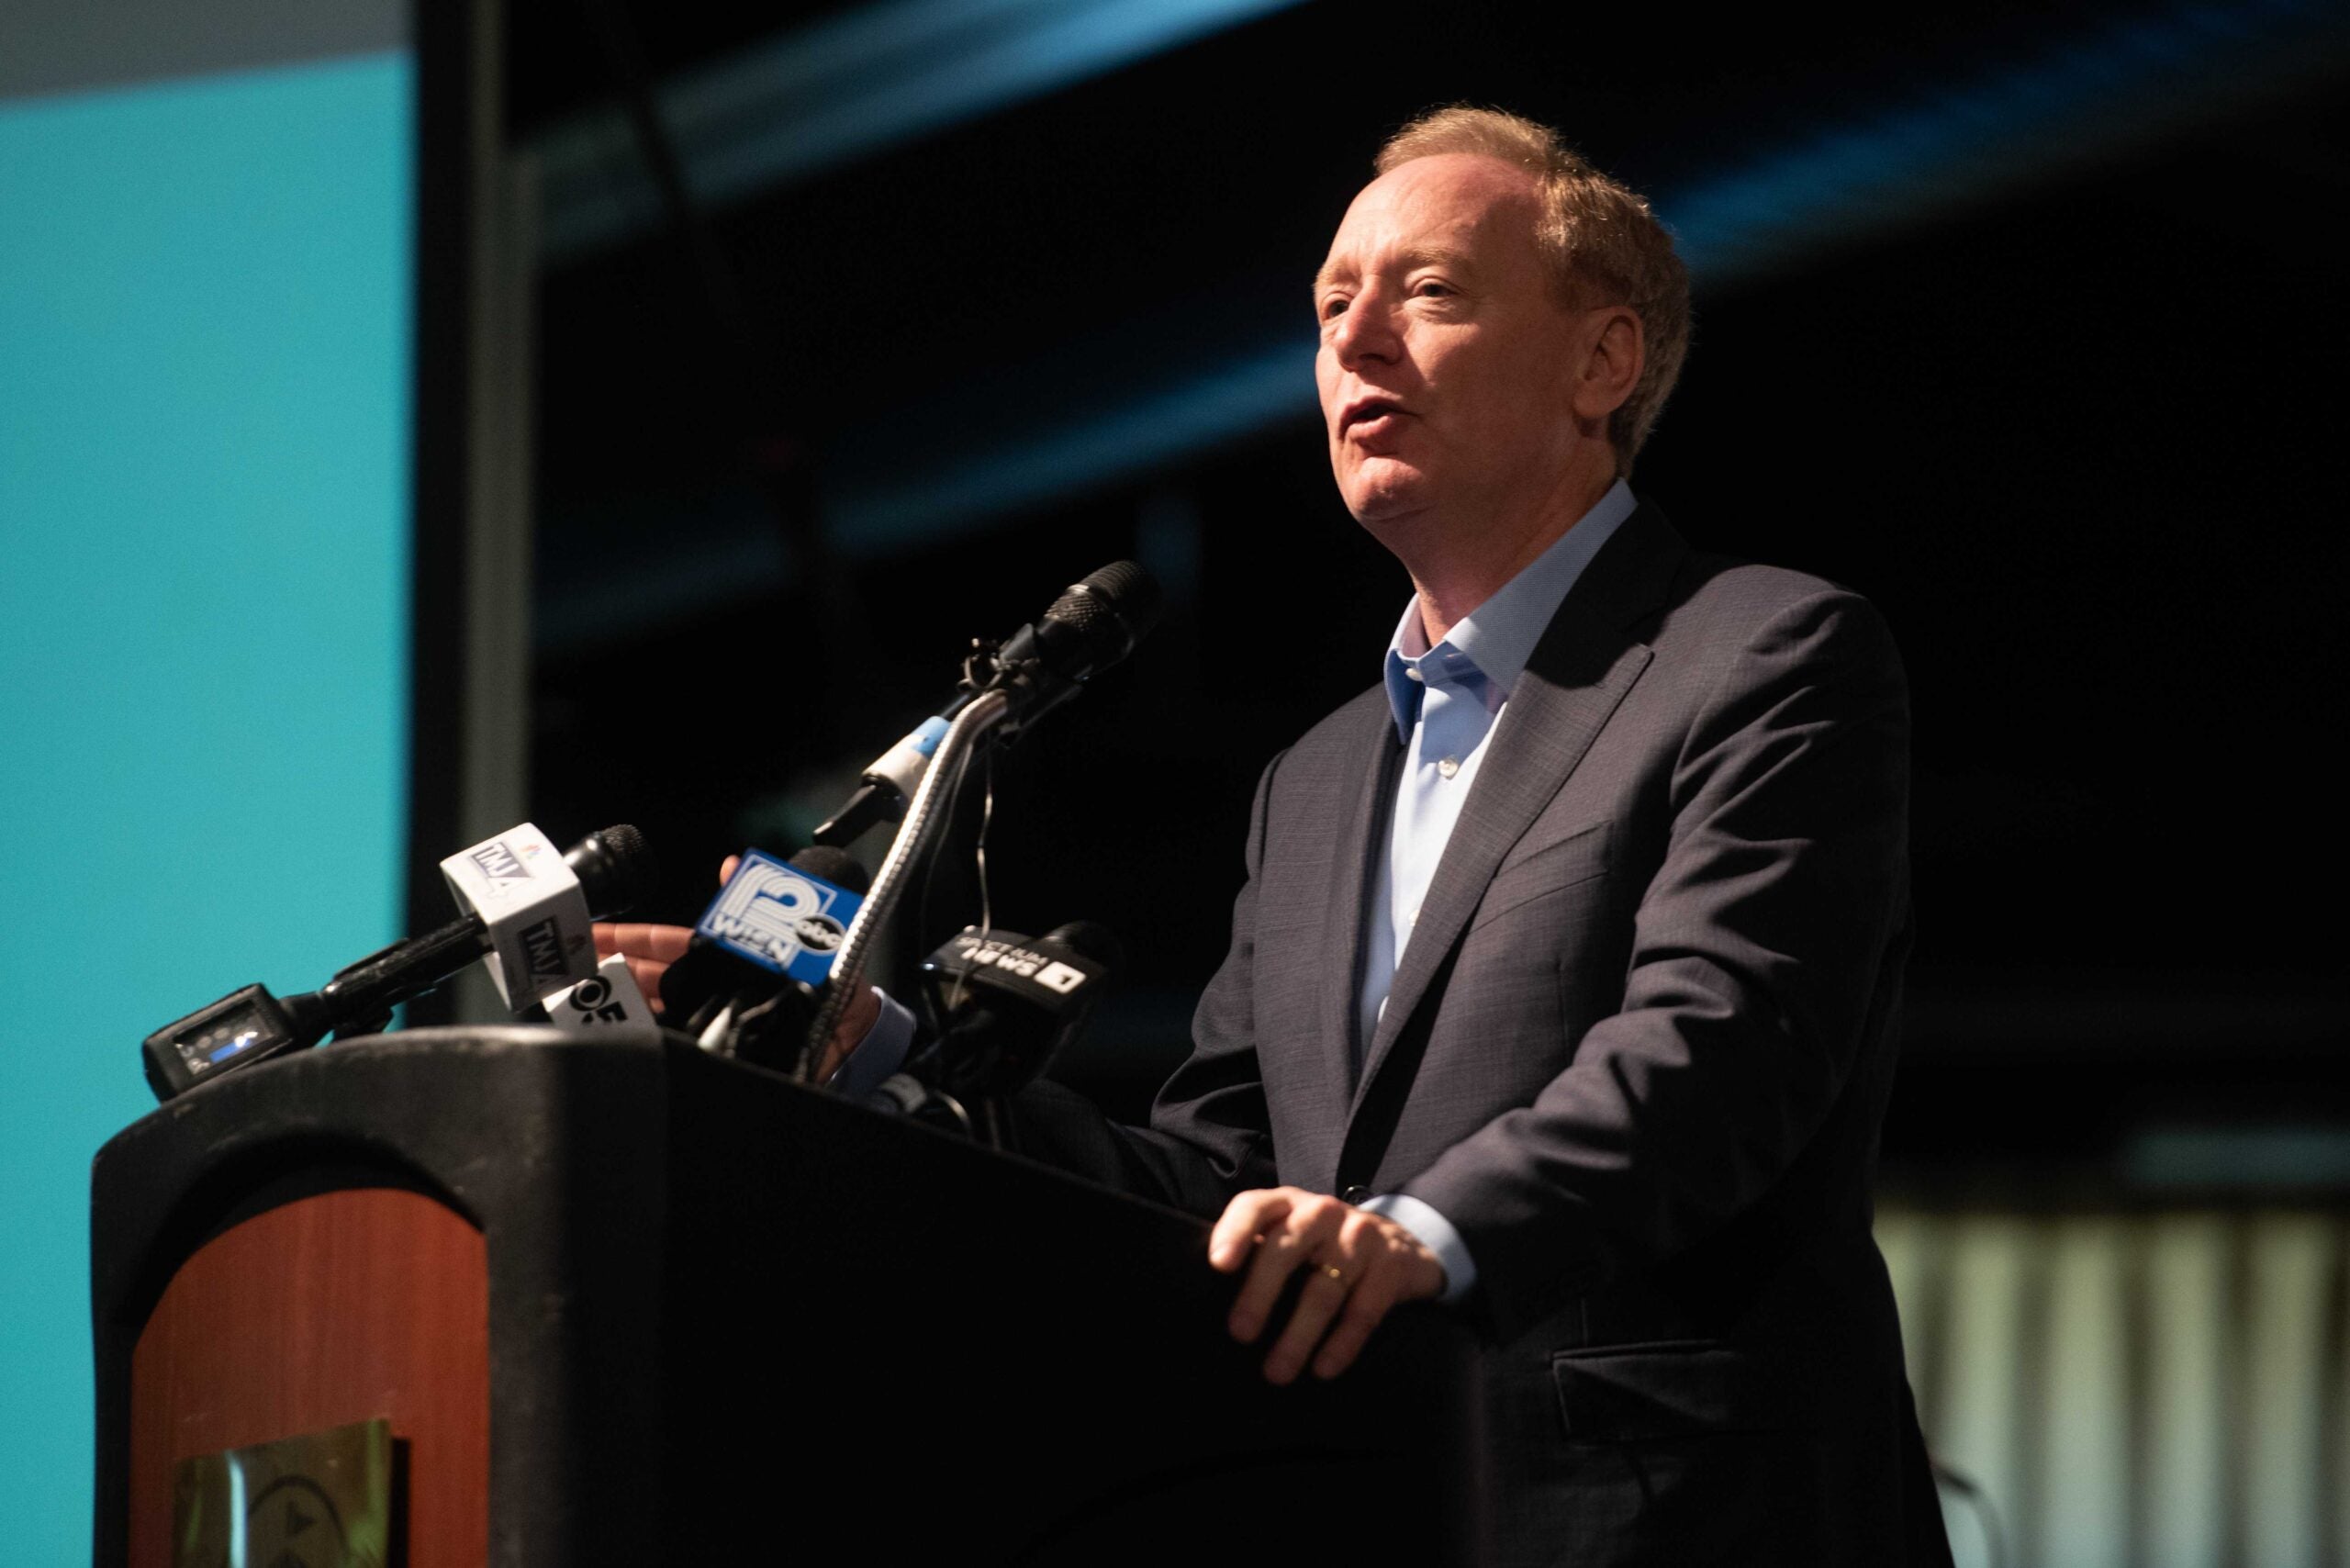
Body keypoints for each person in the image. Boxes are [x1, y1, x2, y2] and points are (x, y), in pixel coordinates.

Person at [609, 106, 1950, 1565]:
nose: (1356, 342)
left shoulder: (1764, 652)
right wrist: (878, 1049)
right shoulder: (1312, 783)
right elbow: (1213, 1183)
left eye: (1426, 292)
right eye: (1330, 307)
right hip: (1352, 1501)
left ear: (1602, 362)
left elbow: (1722, 1045)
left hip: (1675, 1517)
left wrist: (1423, 1238)